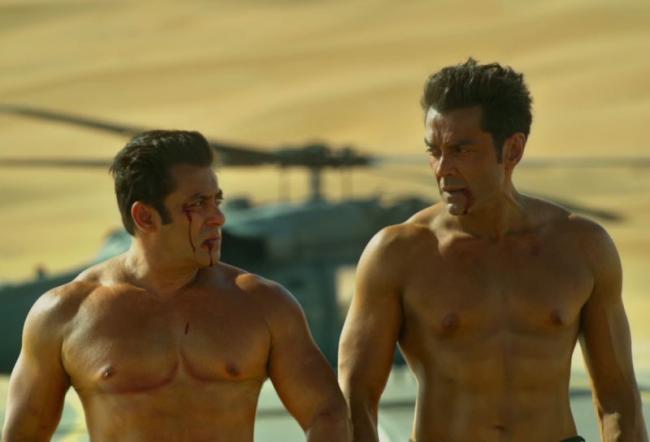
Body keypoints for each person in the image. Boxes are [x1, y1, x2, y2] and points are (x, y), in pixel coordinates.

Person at [338, 58, 648, 441]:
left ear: (512, 150)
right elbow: (355, 397)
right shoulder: (398, 253)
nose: (442, 169)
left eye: (461, 150)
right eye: (434, 150)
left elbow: (619, 397)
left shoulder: (583, 247)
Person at [3, 130, 350, 441]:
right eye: (197, 204)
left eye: (217, 201)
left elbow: (327, 413)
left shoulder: (264, 305)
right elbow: (24, 434)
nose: (218, 217)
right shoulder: (65, 314)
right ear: (145, 217)